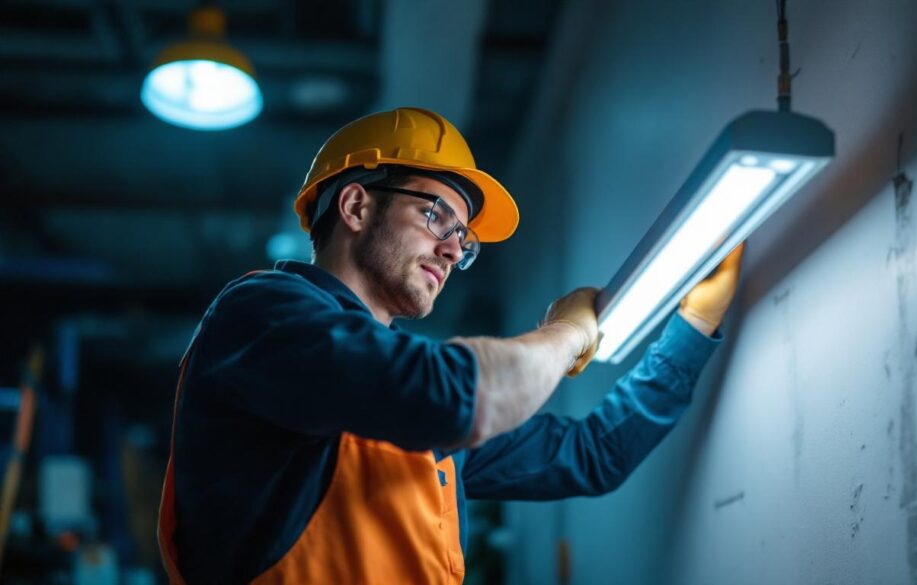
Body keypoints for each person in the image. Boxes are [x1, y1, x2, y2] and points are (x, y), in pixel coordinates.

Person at [156, 107, 744, 584]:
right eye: (436, 217)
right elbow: (454, 391)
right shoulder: (263, 315)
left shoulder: (411, 412)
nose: (451, 252)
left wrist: (693, 327)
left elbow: (592, 456)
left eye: (463, 241)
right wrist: (568, 334)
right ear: (357, 205)